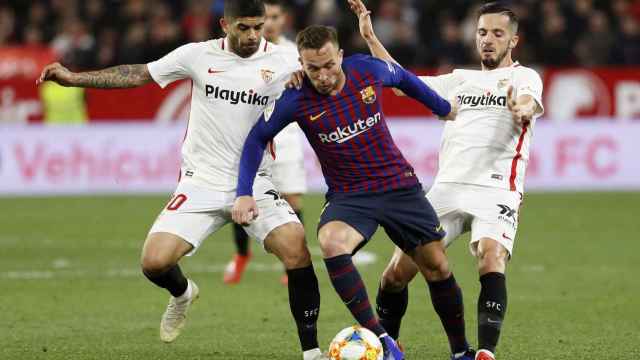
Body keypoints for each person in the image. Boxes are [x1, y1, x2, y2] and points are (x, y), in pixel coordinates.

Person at [37, 1, 325, 359]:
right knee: (154, 263)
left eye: (258, 27)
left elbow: (329, 83)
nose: (252, 36)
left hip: (254, 183)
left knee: (296, 246)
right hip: (200, 180)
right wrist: (74, 78)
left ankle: (312, 352)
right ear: (225, 24)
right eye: (243, 28)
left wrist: (309, 77)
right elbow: (138, 73)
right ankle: (183, 293)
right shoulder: (197, 55)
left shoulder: (284, 61)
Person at [232, 24, 469, 360]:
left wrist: (441, 107)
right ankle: (382, 338)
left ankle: (461, 352)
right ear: (301, 65)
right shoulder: (296, 98)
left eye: (329, 65)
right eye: (313, 68)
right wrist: (244, 192)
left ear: (340, 56)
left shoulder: (365, 70)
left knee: (437, 268)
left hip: (399, 186)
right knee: (331, 243)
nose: (324, 75)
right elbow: (257, 138)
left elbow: (402, 78)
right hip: (351, 197)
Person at [347, 1, 544, 360]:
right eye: (482, 32)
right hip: (446, 190)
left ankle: (485, 352)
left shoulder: (524, 77)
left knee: (491, 258)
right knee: (394, 276)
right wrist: (371, 38)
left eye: (498, 34)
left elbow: (528, 102)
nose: (487, 40)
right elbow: (401, 82)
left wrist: (522, 108)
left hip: (497, 189)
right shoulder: (458, 78)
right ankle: (388, 345)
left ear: (513, 40)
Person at [223, 0, 307, 286]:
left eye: (273, 17)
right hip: (251, 138)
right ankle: (241, 255)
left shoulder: (294, 54)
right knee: (241, 197)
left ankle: (290, 262)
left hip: (287, 137)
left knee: (293, 200)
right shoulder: (241, 54)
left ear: (284, 19)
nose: (269, 24)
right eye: (265, 18)